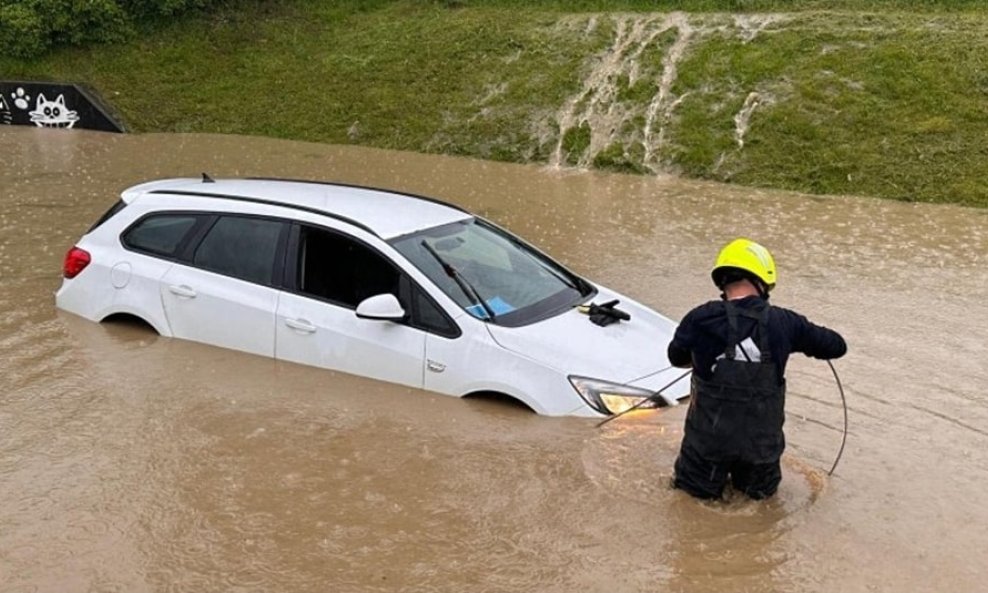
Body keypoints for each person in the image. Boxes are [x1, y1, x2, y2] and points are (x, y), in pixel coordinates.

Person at [668, 238, 846, 500]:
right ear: (762, 281)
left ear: (722, 281)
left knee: (690, 507)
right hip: (761, 450)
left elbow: (676, 357)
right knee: (759, 513)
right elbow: (837, 346)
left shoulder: (700, 318)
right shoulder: (786, 322)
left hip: (706, 446)